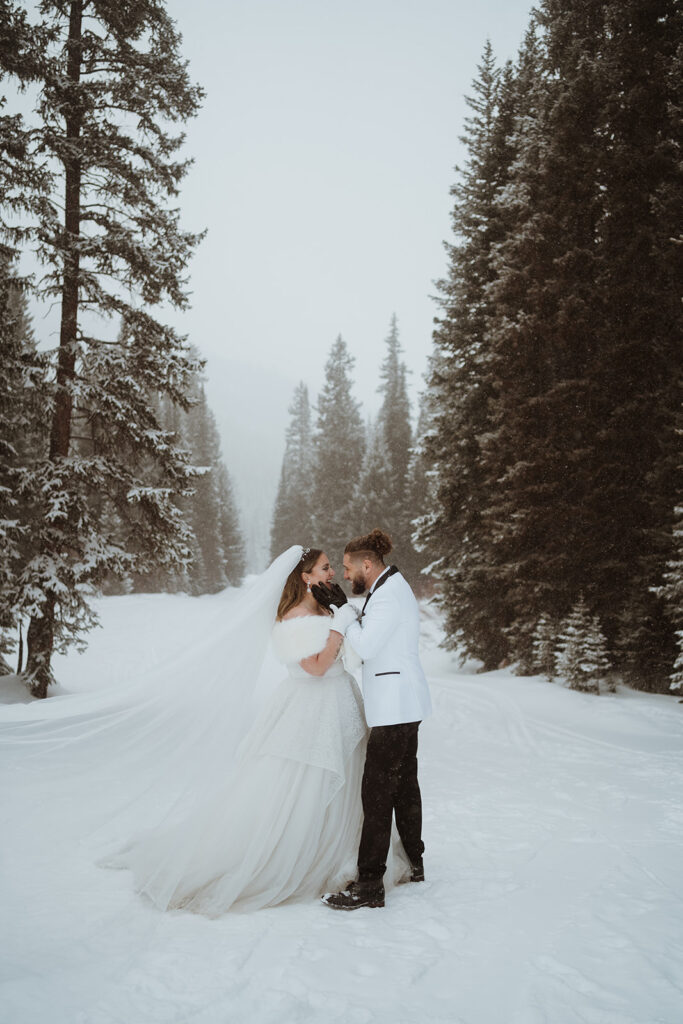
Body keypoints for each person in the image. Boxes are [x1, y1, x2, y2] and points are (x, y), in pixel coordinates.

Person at [312, 528, 432, 910]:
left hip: (396, 707)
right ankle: (414, 862)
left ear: (367, 563)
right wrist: (346, 607)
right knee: (402, 788)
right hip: (401, 704)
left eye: (347, 568)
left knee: (377, 795)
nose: (345, 575)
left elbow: (364, 646)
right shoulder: (388, 588)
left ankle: (368, 886)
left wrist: (343, 610)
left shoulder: (389, 596)